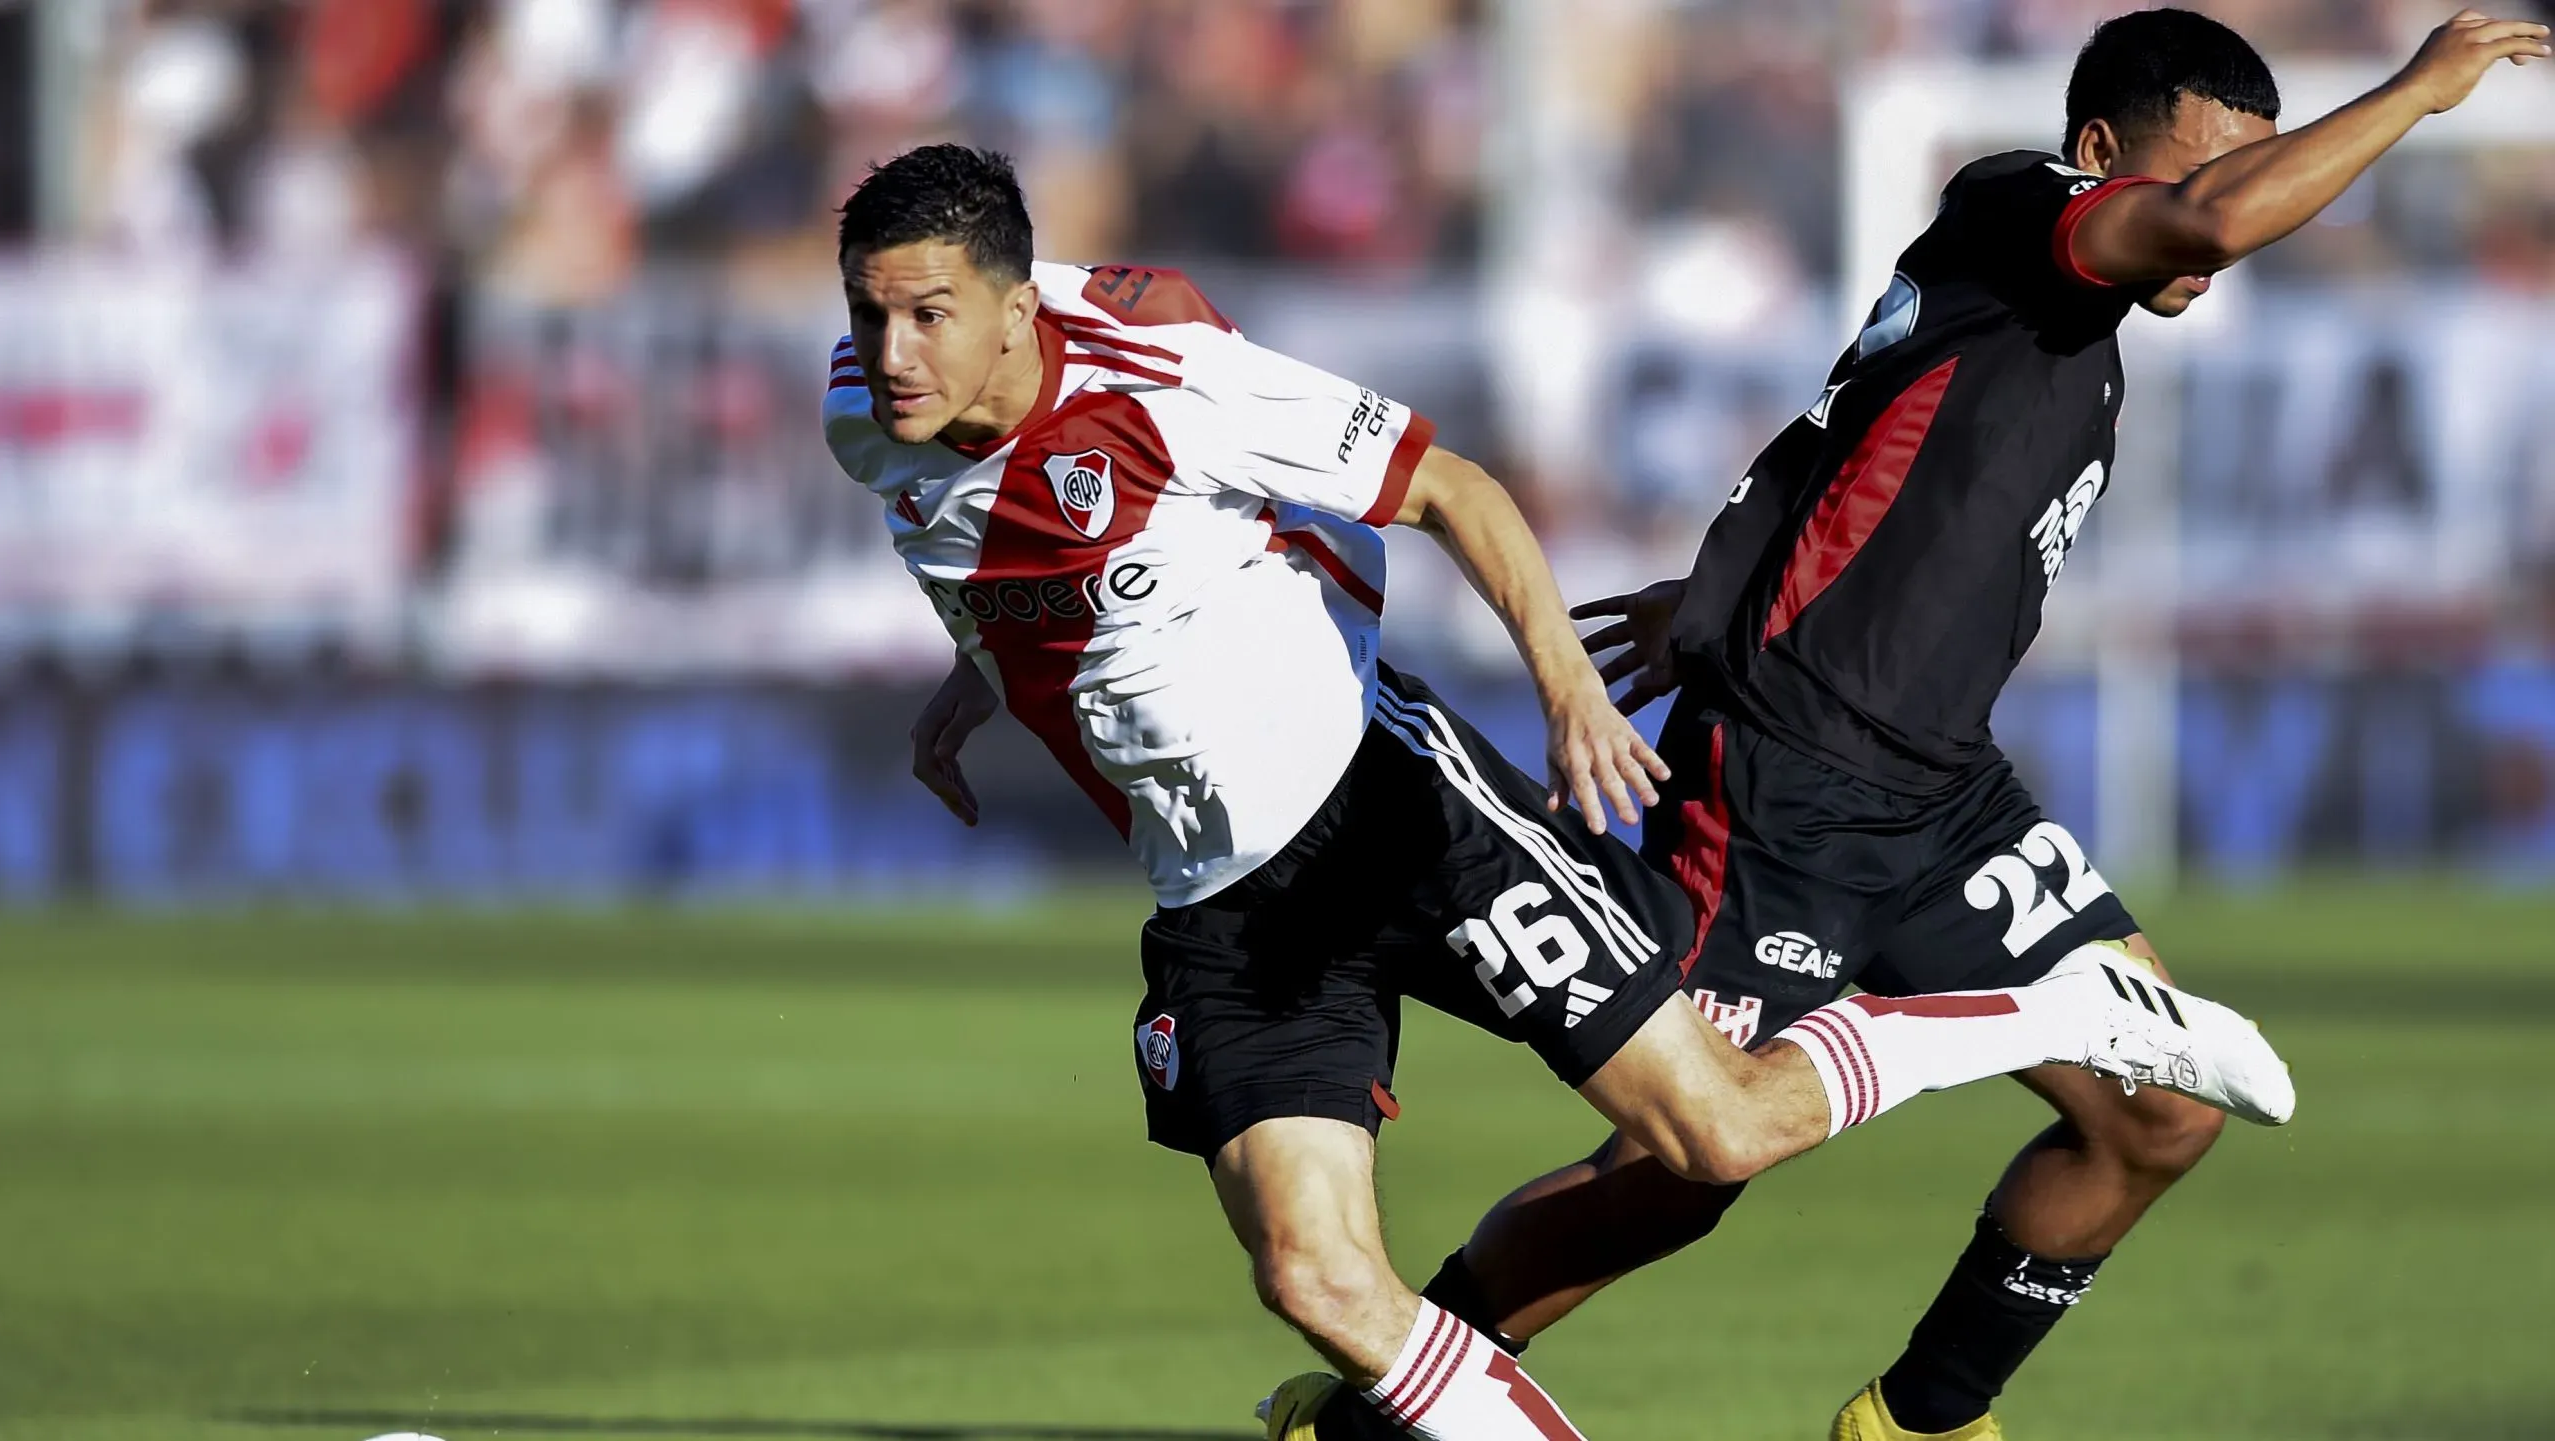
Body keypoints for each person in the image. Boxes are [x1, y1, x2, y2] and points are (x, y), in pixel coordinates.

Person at [821, 143, 2291, 1441]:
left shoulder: (1171, 385)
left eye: (927, 313)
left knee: (1711, 1139)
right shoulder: (861, 411)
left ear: (1016, 306)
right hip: (1220, 898)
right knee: (1316, 1280)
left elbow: (1452, 489)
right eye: (870, 312)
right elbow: (997, 547)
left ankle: (2058, 1017)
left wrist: (1570, 691)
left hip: (1398, 814)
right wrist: (990, 670)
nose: (890, 351)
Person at [1277, 10, 2547, 1441]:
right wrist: (2417, 90)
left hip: (1945, 802)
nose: (2211, 224)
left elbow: (1852, 427)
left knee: (2158, 1105)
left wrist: (1724, 586)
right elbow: (2207, 223)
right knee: (1687, 1163)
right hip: (1786, 790)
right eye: (2191, 172)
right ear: (2097, 154)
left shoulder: (2060, 323)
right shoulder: (2024, 213)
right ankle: (1382, 1408)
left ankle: (1919, 1423)